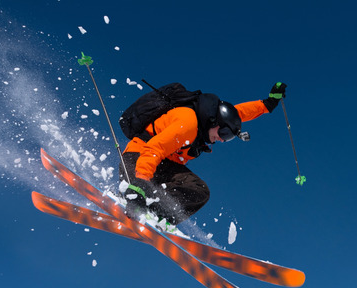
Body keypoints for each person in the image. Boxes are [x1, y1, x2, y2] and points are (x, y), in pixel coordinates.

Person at [119, 82, 287, 225]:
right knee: (144, 179)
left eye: (228, 138)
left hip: (162, 166)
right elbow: (154, 149)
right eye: (224, 134)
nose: (222, 140)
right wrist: (140, 183)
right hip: (138, 160)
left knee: (198, 191)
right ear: (214, 122)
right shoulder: (188, 124)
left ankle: (158, 215)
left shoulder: (209, 121)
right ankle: (136, 196)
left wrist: (267, 105)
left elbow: (238, 113)